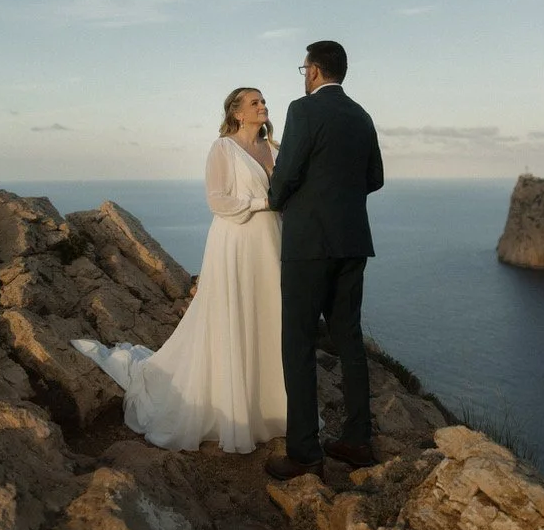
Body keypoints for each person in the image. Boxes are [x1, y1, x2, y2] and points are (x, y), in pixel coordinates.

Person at [71, 88, 288, 452]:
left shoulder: (277, 149)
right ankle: (232, 409)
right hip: (236, 241)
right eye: (255, 102)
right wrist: (263, 201)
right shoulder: (223, 148)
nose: (263, 105)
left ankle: (271, 407)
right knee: (233, 316)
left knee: (269, 316)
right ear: (236, 112)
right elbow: (218, 200)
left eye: (264, 100)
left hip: (272, 242)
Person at [264, 40, 384, 480]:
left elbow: (287, 171)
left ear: (313, 71)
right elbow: (375, 177)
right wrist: (340, 198)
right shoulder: (362, 115)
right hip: (353, 241)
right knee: (348, 339)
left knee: (298, 341)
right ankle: (357, 441)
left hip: (309, 242)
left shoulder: (303, 110)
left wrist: (279, 201)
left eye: (304, 68)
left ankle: (304, 453)